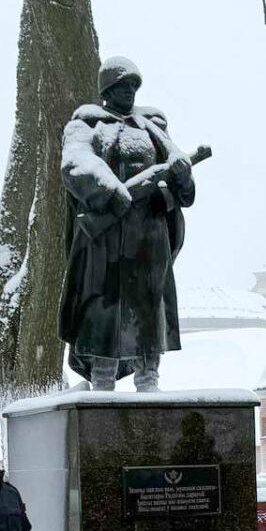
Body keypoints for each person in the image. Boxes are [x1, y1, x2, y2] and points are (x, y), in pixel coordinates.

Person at [58, 55, 195, 391]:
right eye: (122, 86)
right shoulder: (86, 125)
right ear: (107, 89)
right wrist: (117, 193)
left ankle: (149, 378)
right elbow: (76, 164)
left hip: (150, 236)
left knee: (150, 307)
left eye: (134, 86)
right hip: (108, 238)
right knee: (103, 309)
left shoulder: (153, 128)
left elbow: (180, 176)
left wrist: (181, 176)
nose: (129, 92)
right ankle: (102, 379)